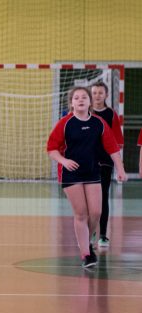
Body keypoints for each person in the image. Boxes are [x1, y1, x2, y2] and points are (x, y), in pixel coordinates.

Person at [47, 86, 126, 268]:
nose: (80, 100)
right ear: (71, 103)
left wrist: (120, 169)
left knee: (96, 212)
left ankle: (86, 240)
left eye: (84, 97)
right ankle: (86, 254)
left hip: (92, 172)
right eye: (76, 98)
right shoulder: (65, 123)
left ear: (90, 102)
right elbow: (51, 148)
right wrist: (64, 161)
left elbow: (113, 148)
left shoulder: (99, 123)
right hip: (71, 173)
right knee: (81, 213)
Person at [90, 81, 124, 248]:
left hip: (105, 162)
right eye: (94, 93)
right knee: (88, 199)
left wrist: (119, 165)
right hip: (87, 161)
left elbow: (118, 141)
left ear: (106, 95)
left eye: (100, 93)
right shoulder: (84, 112)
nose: (97, 96)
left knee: (103, 196)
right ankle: (90, 232)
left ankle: (102, 234)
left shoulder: (111, 114)